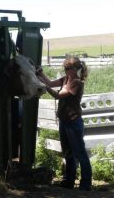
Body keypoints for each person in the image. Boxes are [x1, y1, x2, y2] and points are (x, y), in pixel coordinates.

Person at [36, 56, 92, 191]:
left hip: (73, 122)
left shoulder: (77, 83)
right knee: (68, 153)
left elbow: (58, 95)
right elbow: (50, 83)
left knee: (79, 153)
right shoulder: (66, 79)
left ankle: (86, 183)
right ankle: (69, 181)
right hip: (65, 121)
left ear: (75, 69)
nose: (65, 70)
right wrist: (40, 73)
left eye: (67, 68)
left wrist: (43, 86)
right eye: (64, 68)